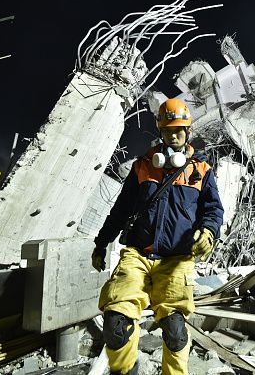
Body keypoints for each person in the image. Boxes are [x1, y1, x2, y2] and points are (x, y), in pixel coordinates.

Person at [91, 98, 224, 375]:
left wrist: (209, 231)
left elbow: (213, 209)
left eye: (178, 130)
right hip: (137, 255)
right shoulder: (142, 167)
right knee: (116, 325)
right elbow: (121, 209)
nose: (173, 135)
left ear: (188, 132)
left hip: (176, 260)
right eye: (167, 130)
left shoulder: (200, 171)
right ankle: (125, 370)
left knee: (175, 333)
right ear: (160, 132)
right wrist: (101, 243)